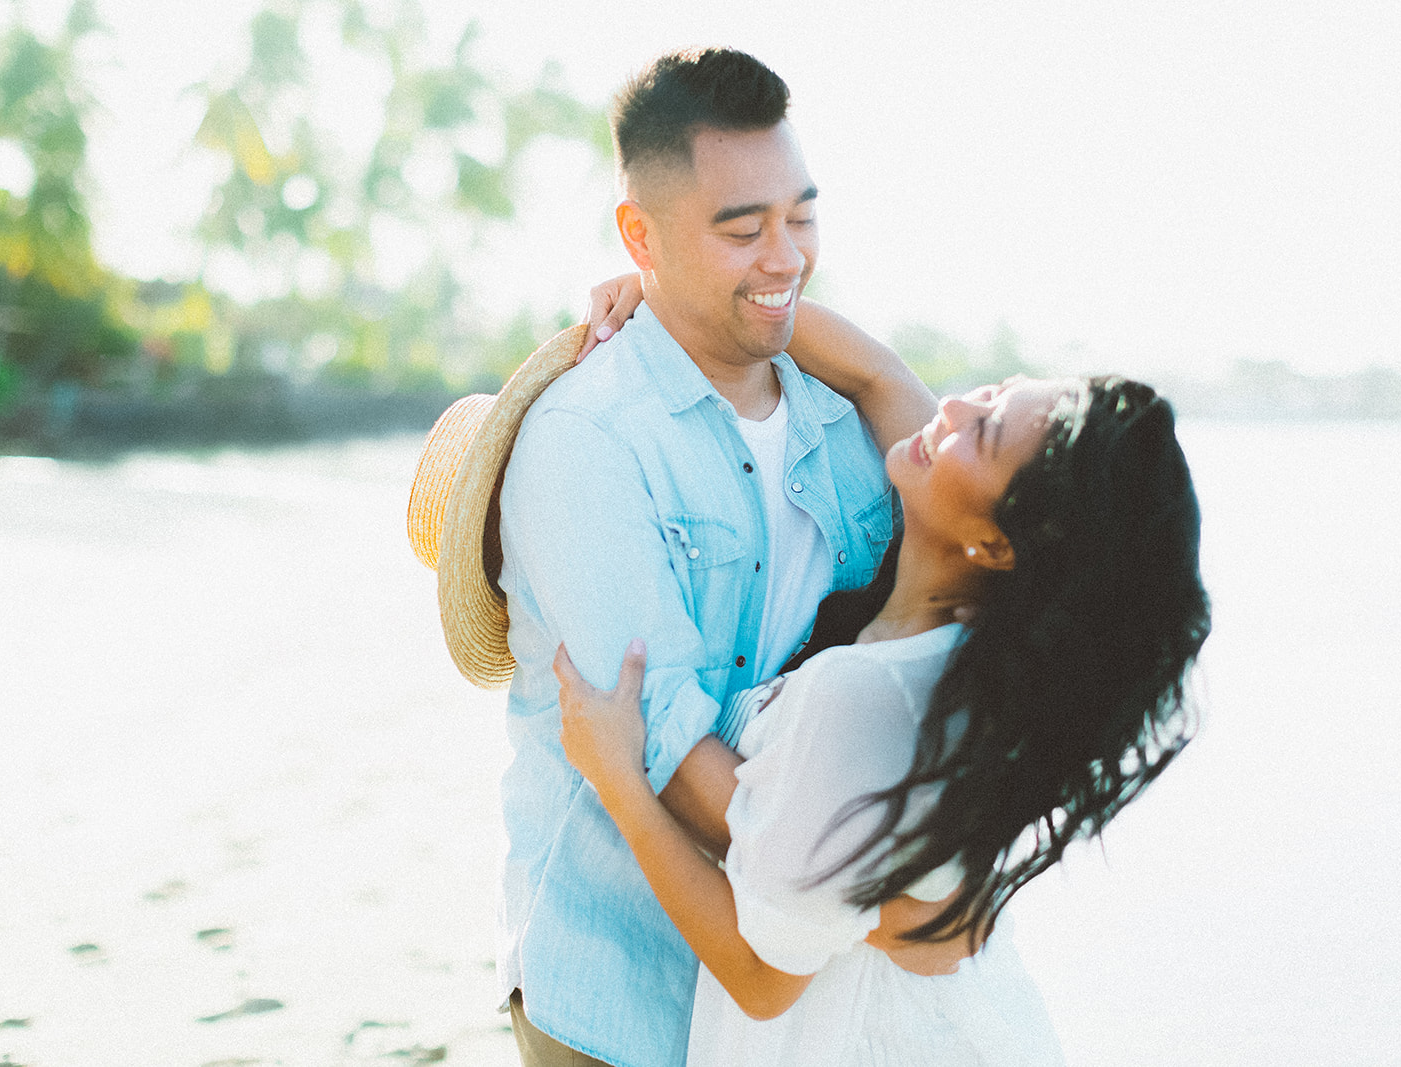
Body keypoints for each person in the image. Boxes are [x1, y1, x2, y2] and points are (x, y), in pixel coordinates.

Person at [491, 47, 949, 1067]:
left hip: (800, 999)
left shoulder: (842, 423)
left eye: (801, 217)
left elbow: (968, 561)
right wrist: (876, 897)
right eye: (742, 229)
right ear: (638, 235)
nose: (783, 254)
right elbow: (662, 733)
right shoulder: (588, 440)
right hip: (622, 977)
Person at [557, 362, 1212, 1065]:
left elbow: (762, 981)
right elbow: (877, 376)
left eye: (985, 427)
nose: (954, 404)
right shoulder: (964, 664)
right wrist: (659, 289)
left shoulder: (866, 698)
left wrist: (620, 782)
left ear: (998, 544)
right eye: (992, 390)